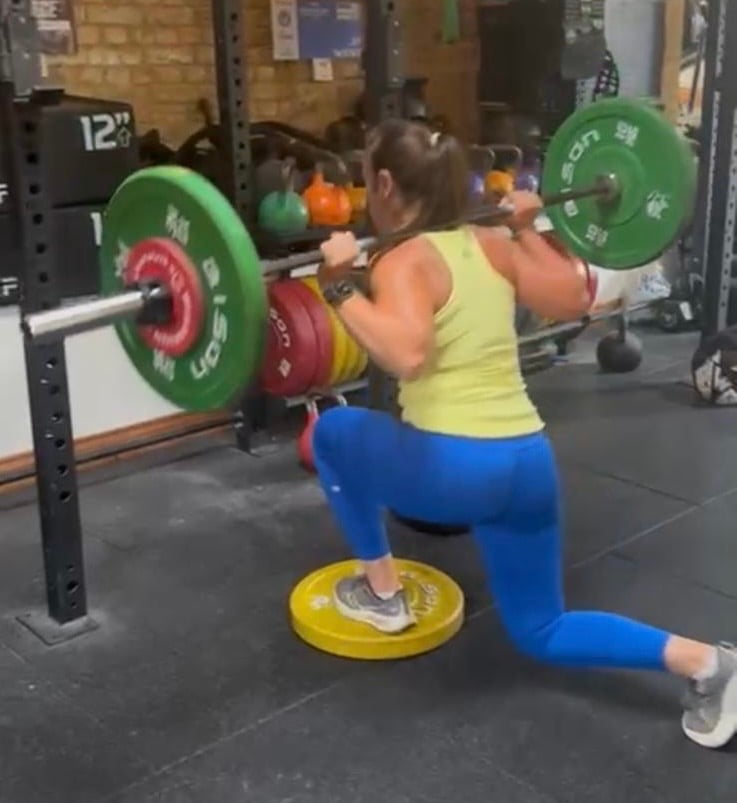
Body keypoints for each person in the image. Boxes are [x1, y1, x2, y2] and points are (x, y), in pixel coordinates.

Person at [311, 119, 737, 750]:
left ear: (383, 183)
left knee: (336, 432)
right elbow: (573, 301)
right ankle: (708, 665)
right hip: (527, 464)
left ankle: (383, 595)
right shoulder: (492, 242)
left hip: (454, 470)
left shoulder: (403, 258)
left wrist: (339, 281)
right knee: (541, 625)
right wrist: (526, 228)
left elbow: (405, 354)